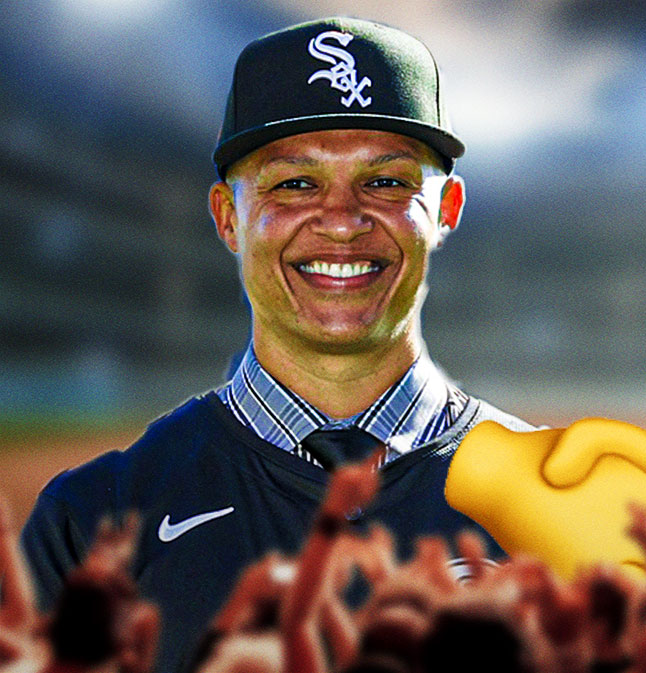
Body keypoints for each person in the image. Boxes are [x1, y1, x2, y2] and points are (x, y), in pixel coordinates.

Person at [21, 16, 531, 672]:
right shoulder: (95, 521)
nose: (344, 222)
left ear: (447, 208)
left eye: (387, 181)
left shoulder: (555, 511)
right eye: (294, 183)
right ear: (228, 217)